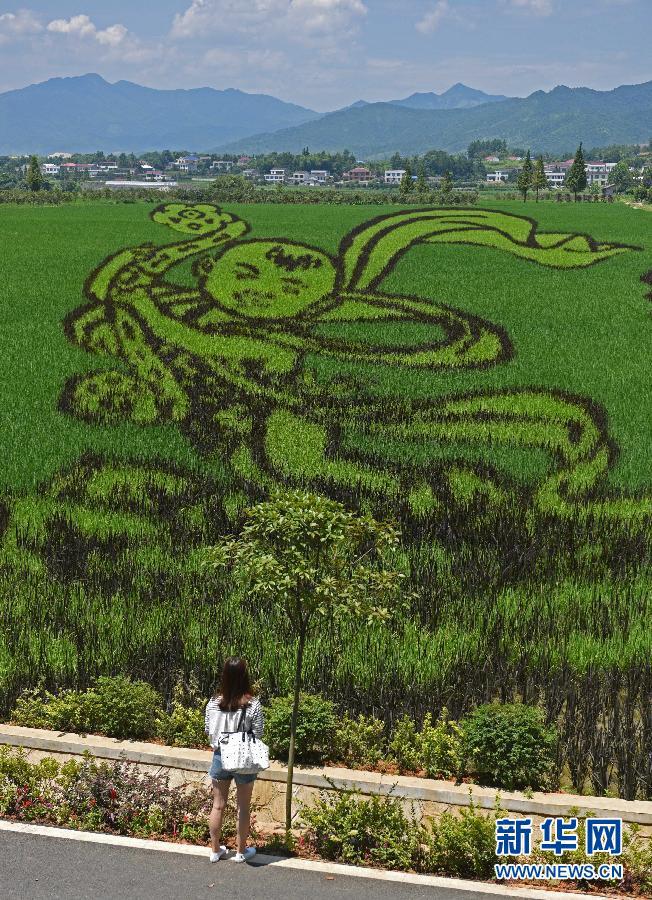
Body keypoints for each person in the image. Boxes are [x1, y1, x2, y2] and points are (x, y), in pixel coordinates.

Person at [205, 656, 264, 863]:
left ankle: (215, 850)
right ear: (244, 676)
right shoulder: (252, 704)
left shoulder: (213, 702)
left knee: (218, 805)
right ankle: (240, 852)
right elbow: (258, 733)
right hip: (243, 759)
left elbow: (208, 729)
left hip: (220, 755)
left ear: (224, 676)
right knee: (243, 807)